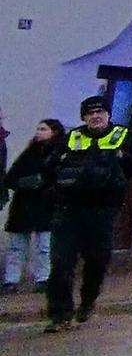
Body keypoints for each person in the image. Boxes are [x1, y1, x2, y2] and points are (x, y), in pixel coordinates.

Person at [45, 96, 132, 333]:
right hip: (68, 209)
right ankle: (60, 314)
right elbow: (49, 167)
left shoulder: (123, 136)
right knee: (61, 261)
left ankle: (88, 301)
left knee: (97, 260)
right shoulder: (72, 137)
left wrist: (125, 158)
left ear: (108, 115)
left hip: (103, 209)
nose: (95, 116)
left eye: (100, 112)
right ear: (83, 117)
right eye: (90, 113)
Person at [5, 120, 64, 294]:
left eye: (43, 129)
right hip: (23, 205)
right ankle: (11, 279)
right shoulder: (29, 153)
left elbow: (59, 177)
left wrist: (45, 185)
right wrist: (26, 183)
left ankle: (43, 279)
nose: (38, 132)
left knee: (44, 246)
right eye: (38, 129)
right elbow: (11, 177)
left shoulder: (59, 153)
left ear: (54, 132)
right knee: (16, 245)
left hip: (46, 205)